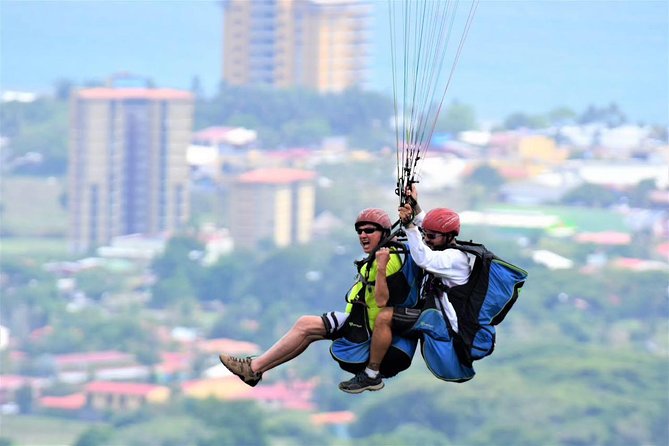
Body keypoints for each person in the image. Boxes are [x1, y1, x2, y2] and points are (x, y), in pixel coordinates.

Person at [219, 208, 404, 389]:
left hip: (365, 327)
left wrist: (381, 267)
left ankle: (253, 368)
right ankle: (255, 369)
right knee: (306, 330)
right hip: (358, 321)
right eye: (360, 231)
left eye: (369, 231)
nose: (363, 235)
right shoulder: (382, 255)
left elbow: (382, 300)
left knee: (305, 325)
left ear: (384, 233)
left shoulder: (387, 260)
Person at [339, 186, 473, 393]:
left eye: (432, 237)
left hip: (443, 322)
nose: (427, 239)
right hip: (431, 313)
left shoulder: (454, 258)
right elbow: (425, 226)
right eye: (425, 235)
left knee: (384, 316)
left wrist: (409, 225)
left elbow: (424, 258)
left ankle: (371, 374)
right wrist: (413, 205)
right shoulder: (440, 243)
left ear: (448, 236)